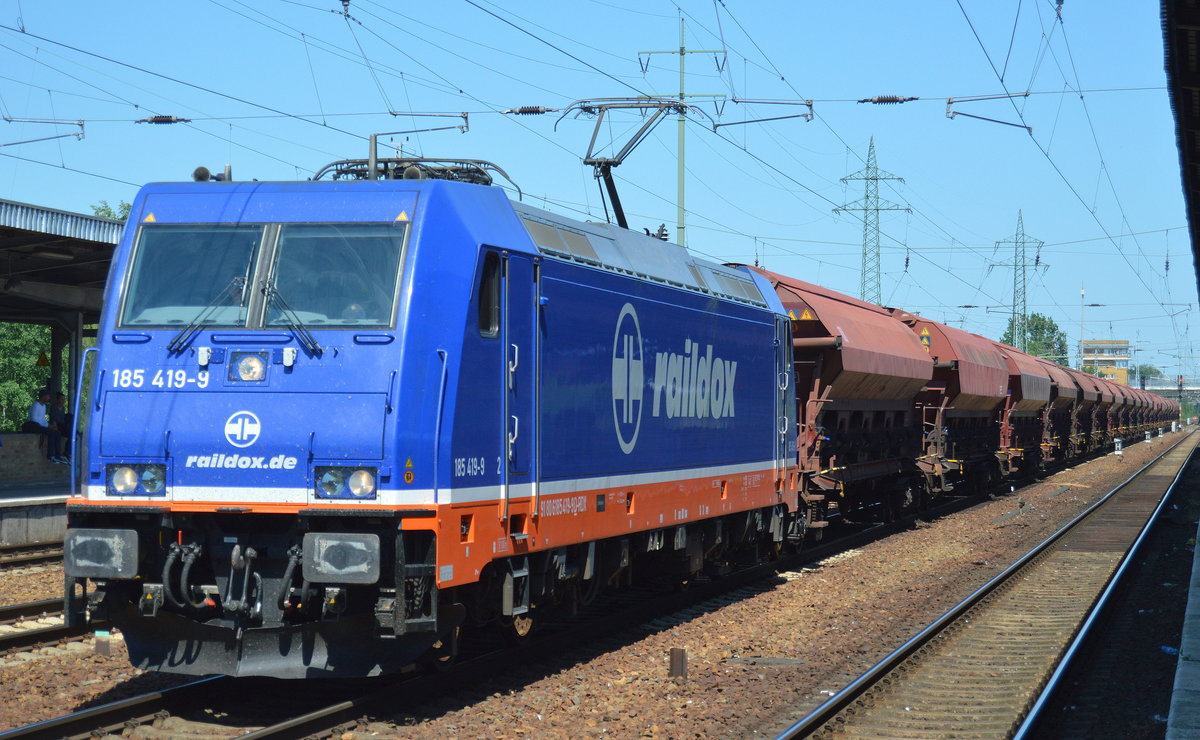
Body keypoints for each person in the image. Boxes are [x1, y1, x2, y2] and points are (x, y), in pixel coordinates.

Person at [22, 389, 65, 464]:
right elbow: (34, 419)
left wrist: (50, 425)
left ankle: (58, 455)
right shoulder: (36, 405)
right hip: (32, 426)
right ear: (43, 396)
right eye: (48, 396)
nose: (49, 398)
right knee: (51, 433)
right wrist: (48, 426)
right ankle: (50, 456)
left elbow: (43, 419)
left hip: (39, 426)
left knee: (57, 433)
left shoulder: (44, 406)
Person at [50, 393, 73, 457]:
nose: (63, 401)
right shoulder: (53, 407)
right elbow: (53, 419)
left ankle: (67, 451)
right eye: (62, 399)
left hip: (63, 425)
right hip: (57, 425)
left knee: (72, 435)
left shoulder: (63, 408)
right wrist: (54, 426)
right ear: (57, 399)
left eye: (64, 399)